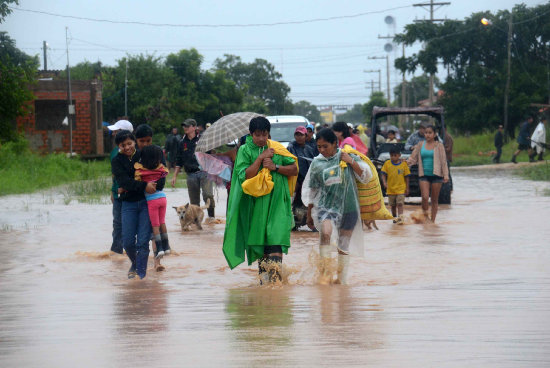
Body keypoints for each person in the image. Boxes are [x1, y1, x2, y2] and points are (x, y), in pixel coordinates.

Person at [223, 116, 298, 284]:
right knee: (262, 247)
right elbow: (244, 176)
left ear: (269, 134)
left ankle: (276, 289)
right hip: (255, 205)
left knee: (276, 241)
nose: (262, 139)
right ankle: (266, 289)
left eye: (265, 134)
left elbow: (293, 169)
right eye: (257, 135)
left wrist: (275, 167)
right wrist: (259, 159)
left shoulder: (277, 148)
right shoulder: (244, 150)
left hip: (277, 203)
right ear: (251, 134)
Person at [304, 128, 372, 285]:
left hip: (348, 206)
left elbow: (365, 177)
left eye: (325, 146)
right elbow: (313, 190)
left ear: (335, 143)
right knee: (326, 233)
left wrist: (351, 161)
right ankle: (325, 275)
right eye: (319, 146)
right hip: (325, 206)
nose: (321, 150)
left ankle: (341, 280)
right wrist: (309, 213)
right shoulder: (317, 163)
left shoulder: (347, 156)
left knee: (343, 243)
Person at [111, 130, 158, 279]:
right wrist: (144, 185)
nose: (127, 147)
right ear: (119, 146)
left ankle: (141, 276)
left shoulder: (143, 156)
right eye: (123, 145)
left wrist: (131, 185)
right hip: (128, 204)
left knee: (143, 242)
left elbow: (156, 173)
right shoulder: (116, 161)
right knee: (128, 242)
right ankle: (136, 264)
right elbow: (123, 181)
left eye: (129, 143)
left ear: (134, 142)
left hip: (145, 203)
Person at [135, 124, 168, 272]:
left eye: (148, 141)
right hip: (139, 199)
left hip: (154, 197)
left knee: (156, 229)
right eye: (142, 141)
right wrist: (144, 185)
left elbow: (163, 174)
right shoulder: (135, 155)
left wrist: (154, 185)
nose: (145, 144)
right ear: (136, 140)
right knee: (142, 232)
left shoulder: (157, 153)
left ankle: (157, 262)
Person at [171, 118, 215, 222]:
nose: (185, 128)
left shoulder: (203, 140)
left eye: (188, 126)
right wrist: (174, 176)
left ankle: (211, 217)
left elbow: (211, 155)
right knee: (194, 201)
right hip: (190, 174)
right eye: (184, 126)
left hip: (204, 172)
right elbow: (179, 161)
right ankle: (196, 220)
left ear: (194, 127)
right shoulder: (182, 142)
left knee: (208, 194)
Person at [407, 125, 449, 223]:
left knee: (434, 200)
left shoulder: (439, 145)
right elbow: (412, 158)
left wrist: (446, 175)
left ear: (434, 134)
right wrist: (405, 163)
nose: (427, 135)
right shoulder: (420, 145)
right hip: (424, 175)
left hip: (437, 176)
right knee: (425, 197)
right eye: (426, 133)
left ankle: (432, 221)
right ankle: (425, 218)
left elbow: (443, 161)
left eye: (430, 133)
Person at [107, 119, 133, 254]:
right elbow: (114, 174)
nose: (113, 134)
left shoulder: (133, 152)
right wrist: (112, 191)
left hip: (130, 193)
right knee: (118, 223)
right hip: (117, 193)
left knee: (133, 222)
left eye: (116, 131)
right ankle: (116, 252)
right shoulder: (114, 152)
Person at [287, 126, 315, 214]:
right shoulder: (291, 147)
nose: (299, 137)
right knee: (292, 195)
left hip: (307, 177)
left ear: (306, 136)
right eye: (297, 135)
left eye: (301, 135)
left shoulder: (309, 149)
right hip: (295, 177)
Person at [381, 145, 410, 224]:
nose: (393, 157)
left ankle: (400, 219)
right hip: (391, 189)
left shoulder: (404, 164)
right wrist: (384, 182)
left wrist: (407, 188)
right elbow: (383, 174)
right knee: (393, 206)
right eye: (391, 156)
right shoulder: (387, 163)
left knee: (400, 204)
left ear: (399, 155)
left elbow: (407, 177)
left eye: (395, 155)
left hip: (401, 189)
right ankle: (394, 218)